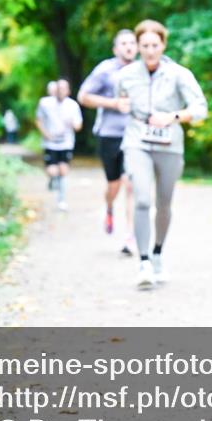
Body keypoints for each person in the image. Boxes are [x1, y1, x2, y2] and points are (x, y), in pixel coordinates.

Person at [116, 19, 207, 289]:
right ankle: (143, 262)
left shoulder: (179, 74)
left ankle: (157, 254)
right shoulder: (127, 75)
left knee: (163, 203)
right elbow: (121, 101)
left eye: (154, 45)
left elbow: (200, 109)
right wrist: (120, 106)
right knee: (142, 199)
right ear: (137, 46)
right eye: (144, 45)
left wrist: (173, 116)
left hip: (170, 145)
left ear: (163, 45)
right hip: (137, 142)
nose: (149, 50)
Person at [79, 29, 139, 255]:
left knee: (131, 184)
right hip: (109, 134)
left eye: (132, 42)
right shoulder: (105, 70)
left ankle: (130, 237)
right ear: (116, 49)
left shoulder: (142, 71)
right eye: (123, 43)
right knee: (114, 185)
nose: (129, 47)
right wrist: (114, 104)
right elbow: (83, 96)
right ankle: (109, 206)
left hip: (134, 135)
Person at [35, 78, 83, 211]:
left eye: (63, 88)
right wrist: (45, 133)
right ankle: (52, 179)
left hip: (66, 143)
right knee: (52, 170)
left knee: (63, 170)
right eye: (58, 88)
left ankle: (61, 199)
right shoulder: (45, 103)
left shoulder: (73, 105)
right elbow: (38, 120)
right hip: (50, 143)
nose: (61, 91)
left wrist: (74, 124)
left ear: (68, 91)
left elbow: (79, 125)